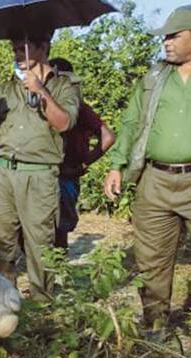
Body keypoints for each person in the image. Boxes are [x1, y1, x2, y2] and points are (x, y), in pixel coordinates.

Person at [104, 5, 191, 331]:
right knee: (152, 260)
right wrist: (117, 166)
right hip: (155, 180)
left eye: (174, 35)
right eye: (164, 37)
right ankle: (155, 328)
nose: (166, 42)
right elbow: (130, 123)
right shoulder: (153, 79)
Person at [0, 32, 80, 299]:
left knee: (40, 244)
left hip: (39, 176)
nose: (17, 55)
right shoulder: (8, 88)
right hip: (4, 173)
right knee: (0, 241)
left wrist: (41, 91)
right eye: (14, 49)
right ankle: (2, 302)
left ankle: (42, 305)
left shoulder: (64, 86)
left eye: (23, 48)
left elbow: (64, 123)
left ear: (43, 47)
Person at [50, 57, 117, 250]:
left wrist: (83, 164)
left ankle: (56, 265)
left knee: (58, 228)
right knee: (53, 227)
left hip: (65, 174)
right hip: (57, 173)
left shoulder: (79, 108)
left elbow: (108, 137)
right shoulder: (74, 106)